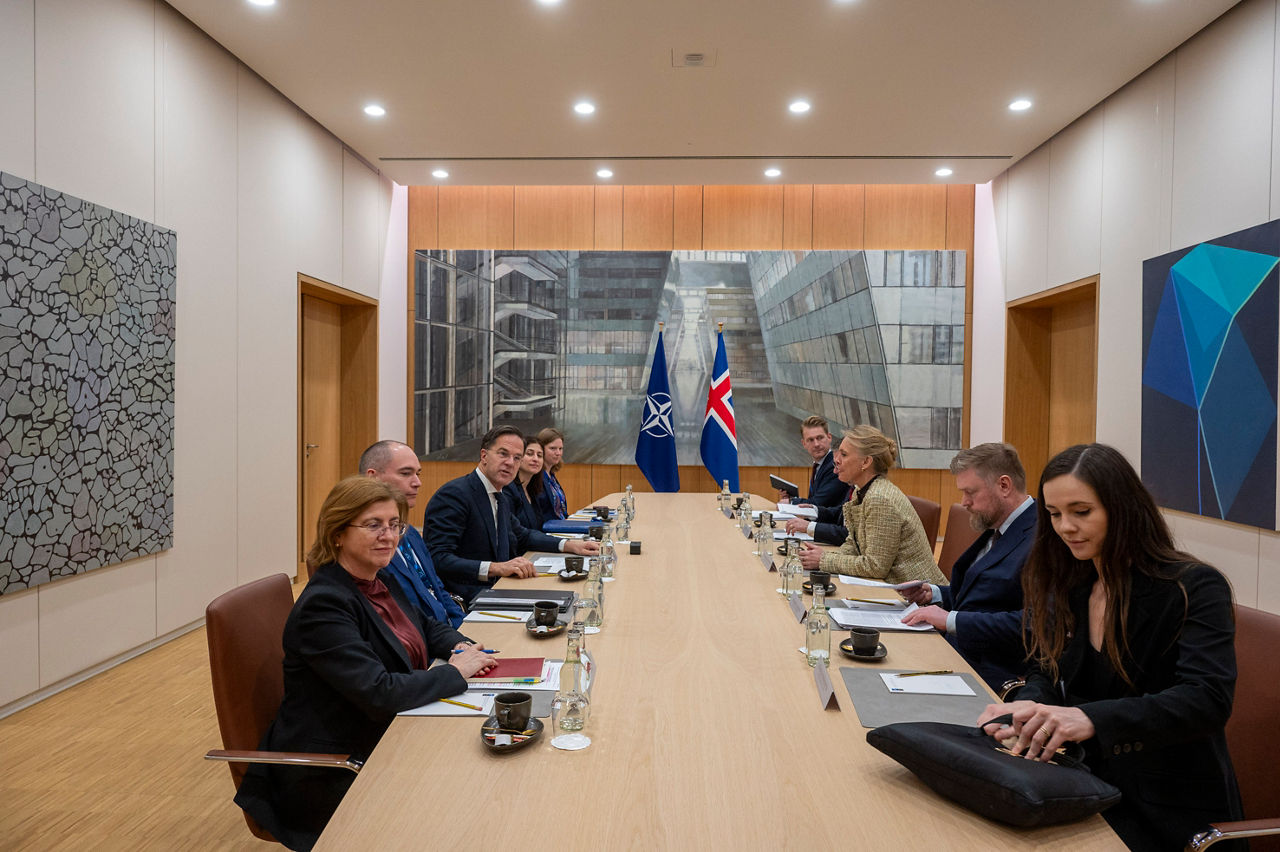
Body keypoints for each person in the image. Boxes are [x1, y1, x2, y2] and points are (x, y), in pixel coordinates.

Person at [977, 444, 1242, 851]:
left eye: (1081, 512)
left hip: (1166, 807)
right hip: (1082, 780)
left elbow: (1206, 699)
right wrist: (1030, 705)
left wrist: (1089, 718)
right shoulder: (1073, 581)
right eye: (1054, 514)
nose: (1066, 527)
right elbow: (1047, 668)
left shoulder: (1194, 587)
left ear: (1123, 509)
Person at [234, 477, 494, 851]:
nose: (388, 536)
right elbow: (379, 692)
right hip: (334, 768)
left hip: (390, 733)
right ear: (338, 533)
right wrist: (455, 671)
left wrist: (462, 646)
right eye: (373, 525)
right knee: (471, 797)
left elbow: (423, 624)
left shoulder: (377, 576)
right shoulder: (325, 605)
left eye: (394, 525)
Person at [898, 442, 1034, 689]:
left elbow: (1032, 624)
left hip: (987, 670)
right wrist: (934, 594)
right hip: (955, 651)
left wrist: (952, 620)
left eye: (970, 492)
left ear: (1004, 485)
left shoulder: (1041, 538)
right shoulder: (999, 526)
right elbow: (984, 595)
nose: (964, 502)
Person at [424, 425, 599, 604]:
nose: (510, 463)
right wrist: (496, 568)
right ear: (484, 456)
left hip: (502, 587)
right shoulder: (455, 495)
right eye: (503, 454)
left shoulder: (499, 495)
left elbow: (523, 535)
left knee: (573, 598)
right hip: (469, 597)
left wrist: (570, 545)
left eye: (517, 458)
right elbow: (438, 558)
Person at [797, 425, 945, 585]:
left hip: (917, 594)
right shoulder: (861, 491)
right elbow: (853, 544)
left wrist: (824, 560)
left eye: (844, 454)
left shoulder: (879, 498)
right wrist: (824, 557)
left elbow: (875, 566)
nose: (836, 459)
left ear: (866, 462)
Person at [360, 439, 466, 628]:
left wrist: (465, 628)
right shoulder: (370, 544)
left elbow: (438, 590)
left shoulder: (410, 533)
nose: (417, 483)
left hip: (447, 634)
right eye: (405, 473)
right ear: (373, 478)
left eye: (418, 474)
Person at [776, 415, 845, 507]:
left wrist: (792, 502)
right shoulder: (819, 465)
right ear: (804, 443)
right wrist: (791, 498)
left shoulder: (835, 465)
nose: (816, 444)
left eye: (820, 438)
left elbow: (819, 503)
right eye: (810, 440)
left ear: (829, 437)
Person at [504, 434, 546, 531]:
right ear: (518, 457)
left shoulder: (532, 490)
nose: (535, 459)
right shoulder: (508, 489)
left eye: (539, 455)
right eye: (529, 454)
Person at [536, 426, 569, 520]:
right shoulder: (536, 476)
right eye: (553, 448)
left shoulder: (551, 476)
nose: (558, 453)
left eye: (560, 448)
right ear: (541, 449)